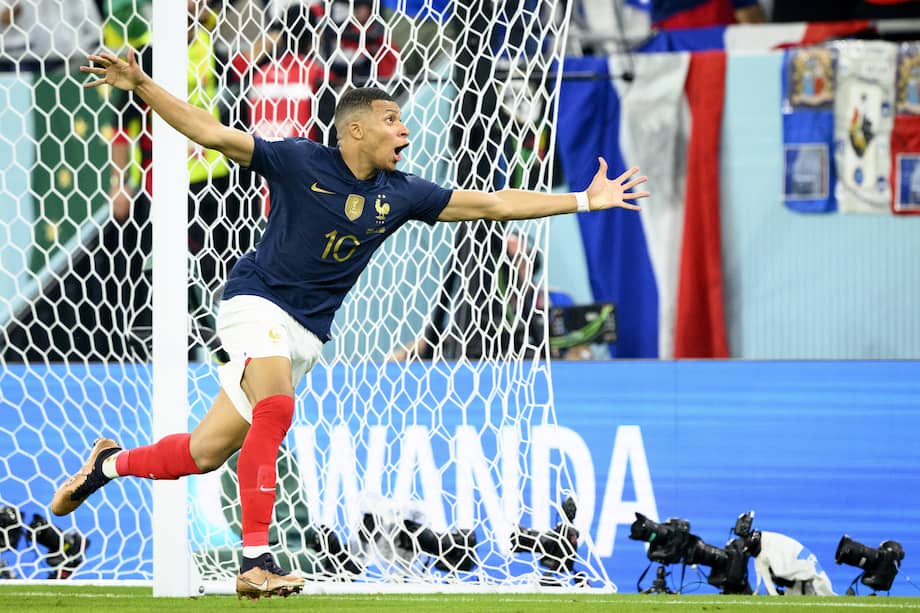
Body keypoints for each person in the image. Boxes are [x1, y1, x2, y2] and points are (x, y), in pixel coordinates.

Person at [53, 49, 649, 599]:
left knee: (204, 454)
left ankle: (106, 463)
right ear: (355, 129)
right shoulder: (296, 159)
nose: (406, 130)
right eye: (393, 120)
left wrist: (582, 201)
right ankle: (255, 561)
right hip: (253, 301)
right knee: (277, 409)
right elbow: (208, 131)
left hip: (307, 333)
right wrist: (141, 84)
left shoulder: (403, 194)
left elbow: (492, 203)